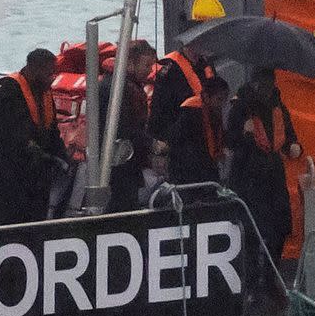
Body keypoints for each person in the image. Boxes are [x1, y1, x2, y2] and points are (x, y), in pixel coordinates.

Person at [226, 68, 301, 315]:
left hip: (273, 175)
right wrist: (243, 132)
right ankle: (251, 288)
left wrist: (293, 145)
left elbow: (289, 135)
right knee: (252, 232)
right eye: (263, 83)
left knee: (280, 227)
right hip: (249, 176)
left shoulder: (279, 105)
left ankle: (270, 279)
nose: (267, 88)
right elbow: (229, 141)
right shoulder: (241, 107)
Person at [0, 48, 69, 225]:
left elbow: (51, 131)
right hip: (6, 178)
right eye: (48, 73)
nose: (52, 78)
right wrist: (36, 152)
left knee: (35, 225)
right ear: (34, 69)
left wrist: (61, 156)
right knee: (7, 223)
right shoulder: (8, 93)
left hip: (35, 180)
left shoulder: (45, 94)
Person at [98, 40, 156, 212]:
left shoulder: (123, 85)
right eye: (146, 65)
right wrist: (151, 143)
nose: (149, 71)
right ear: (130, 62)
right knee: (121, 202)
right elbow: (125, 126)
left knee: (127, 200)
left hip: (128, 159)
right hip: (119, 161)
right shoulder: (116, 89)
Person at [148, 47, 215, 153]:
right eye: (191, 46)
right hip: (179, 140)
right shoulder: (170, 69)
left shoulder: (206, 65)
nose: (195, 50)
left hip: (203, 136)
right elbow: (158, 107)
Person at [169, 76, 230, 185]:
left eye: (225, 99)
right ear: (206, 96)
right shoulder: (190, 112)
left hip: (208, 170)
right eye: (219, 99)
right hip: (190, 174)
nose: (222, 104)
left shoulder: (215, 113)